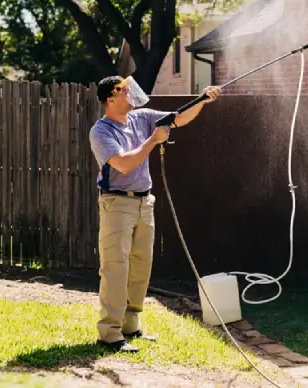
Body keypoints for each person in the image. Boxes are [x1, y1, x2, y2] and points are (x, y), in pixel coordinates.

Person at [88, 75, 220, 352]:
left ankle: (131, 324)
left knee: (140, 265)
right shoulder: (101, 131)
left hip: (144, 202)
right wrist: (152, 142)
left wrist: (203, 101)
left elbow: (178, 118)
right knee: (115, 268)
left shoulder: (142, 117)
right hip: (117, 204)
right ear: (111, 98)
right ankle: (110, 333)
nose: (132, 95)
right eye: (125, 91)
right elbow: (123, 164)